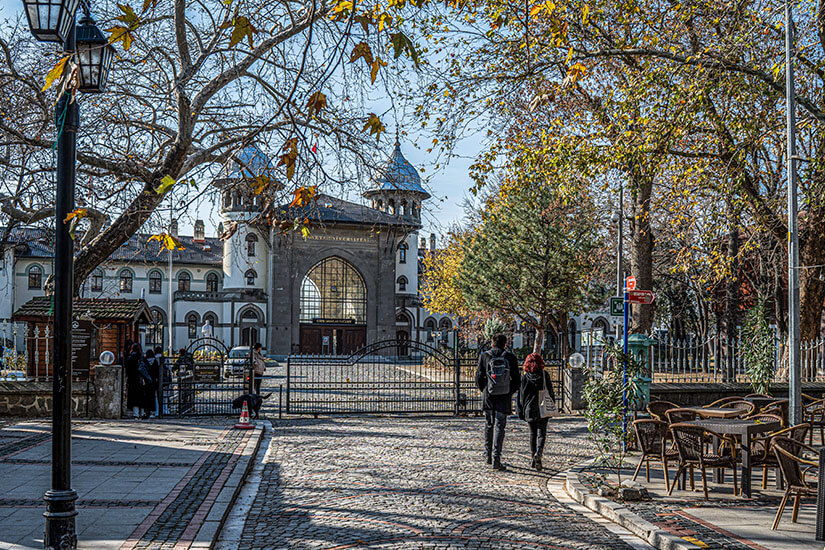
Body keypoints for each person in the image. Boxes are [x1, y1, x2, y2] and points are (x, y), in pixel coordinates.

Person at [475, 333, 520, 471]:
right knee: (500, 426)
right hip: (503, 397)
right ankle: (496, 459)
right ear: (505, 343)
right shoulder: (510, 357)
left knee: (489, 424)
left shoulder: (485, 356)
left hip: (488, 396)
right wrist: (508, 391)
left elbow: (478, 378)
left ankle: (487, 455)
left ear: (492, 343)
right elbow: (517, 380)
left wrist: (485, 390)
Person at [517, 353, 555, 472]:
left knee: (532, 433)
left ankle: (533, 457)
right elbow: (550, 391)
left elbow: (521, 396)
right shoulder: (544, 375)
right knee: (541, 433)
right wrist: (552, 405)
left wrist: (520, 410)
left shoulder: (525, 377)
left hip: (529, 408)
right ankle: (539, 452)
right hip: (542, 407)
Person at [125, 342, 144, 418]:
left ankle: (135, 413)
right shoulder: (141, 357)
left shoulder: (130, 358)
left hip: (132, 379)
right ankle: (142, 413)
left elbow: (127, 369)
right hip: (140, 379)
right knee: (141, 397)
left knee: (133, 396)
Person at [143, 349, 158, 418]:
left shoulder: (145, 361)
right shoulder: (155, 361)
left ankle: (147, 411)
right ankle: (153, 411)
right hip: (153, 381)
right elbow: (157, 371)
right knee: (153, 397)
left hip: (146, 381)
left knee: (146, 397)